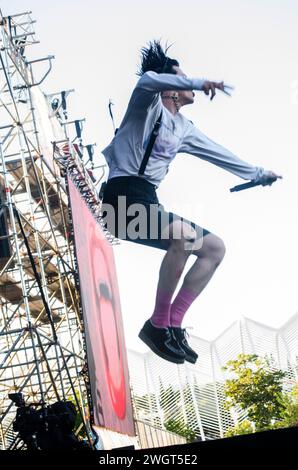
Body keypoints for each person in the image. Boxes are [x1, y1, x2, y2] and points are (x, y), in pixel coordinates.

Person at [101, 40, 282, 365]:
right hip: (120, 201)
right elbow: (147, 81)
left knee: (214, 248)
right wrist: (198, 81)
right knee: (182, 235)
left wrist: (258, 174)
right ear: (171, 88)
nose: (188, 85)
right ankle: (157, 324)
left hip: (146, 202)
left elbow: (220, 154)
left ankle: (171, 323)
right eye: (181, 80)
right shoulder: (147, 106)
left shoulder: (184, 129)